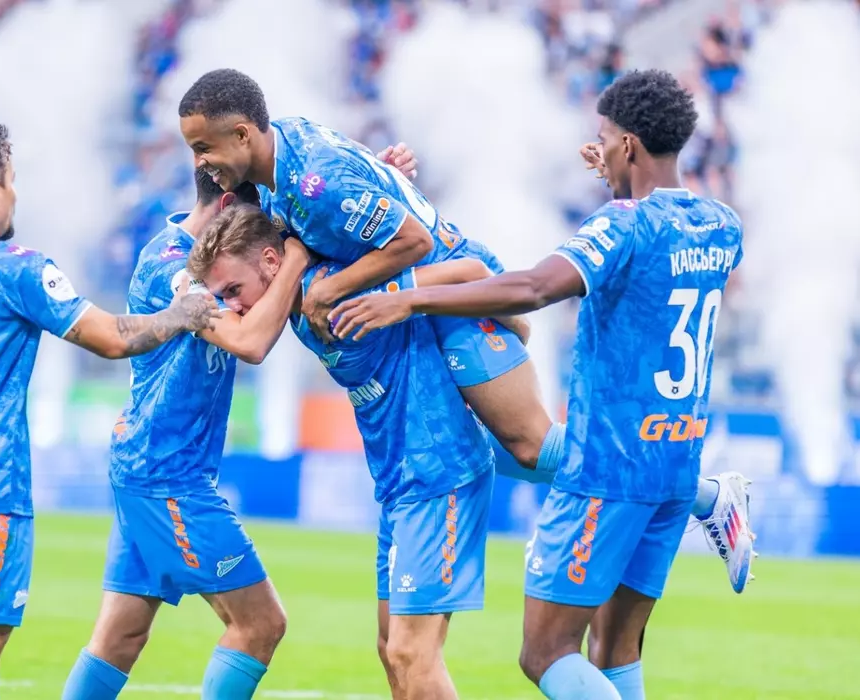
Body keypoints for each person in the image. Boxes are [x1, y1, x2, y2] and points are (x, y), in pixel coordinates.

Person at [177, 67, 755, 595]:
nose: (199, 162)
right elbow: (346, 196)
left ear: (244, 133)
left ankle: (694, 497)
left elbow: (413, 240)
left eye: (203, 148)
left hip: (453, 288)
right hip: (435, 297)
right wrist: (382, 177)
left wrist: (335, 289)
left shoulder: (310, 180)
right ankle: (670, 498)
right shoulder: (288, 157)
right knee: (500, 450)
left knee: (529, 442)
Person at [329, 69, 754, 699]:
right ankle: (707, 497)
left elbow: (534, 287)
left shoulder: (623, 223)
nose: (597, 149)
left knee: (546, 652)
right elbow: (655, 242)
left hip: (605, 468)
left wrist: (409, 299)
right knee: (615, 650)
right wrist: (621, 175)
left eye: (603, 139)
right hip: (674, 460)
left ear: (629, 144)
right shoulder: (722, 223)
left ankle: (710, 499)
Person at [0, 124, 219, 700]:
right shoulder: (14, 268)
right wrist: (180, 315)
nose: (15, 194)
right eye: (12, 181)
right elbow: (112, 338)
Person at [63, 150, 419, 700]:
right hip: (167, 475)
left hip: (149, 467)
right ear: (229, 202)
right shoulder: (174, 265)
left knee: (120, 638)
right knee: (260, 624)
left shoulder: (219, 249)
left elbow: (304, 214)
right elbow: (249, 342)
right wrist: (295, 261)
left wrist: (374, 174)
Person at [187, 204, 509, 700]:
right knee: (391, 648)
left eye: (234, 290)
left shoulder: (339, 290)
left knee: (411, 652)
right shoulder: (299, 304)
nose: (232, 305)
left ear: (271, 262)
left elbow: (472, 272)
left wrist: (511, 328)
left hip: (439, 469)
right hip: (399, 482)